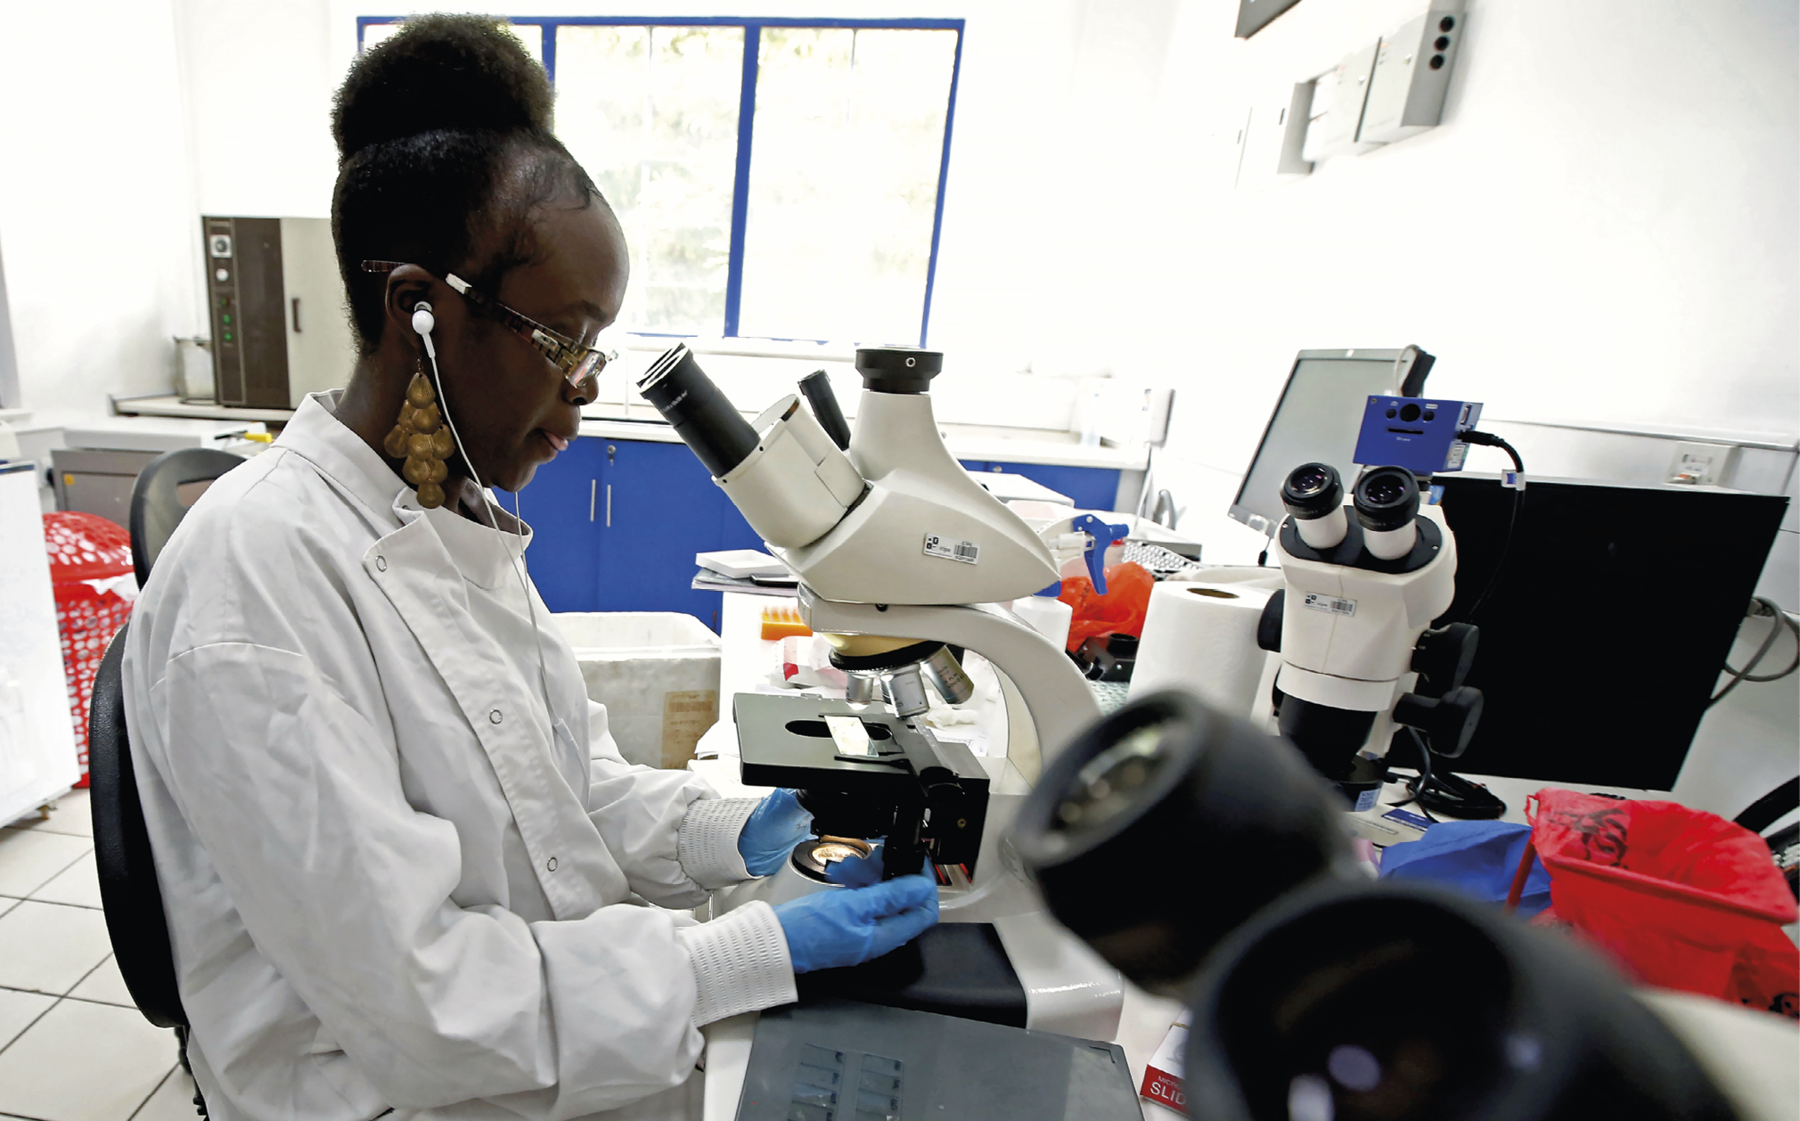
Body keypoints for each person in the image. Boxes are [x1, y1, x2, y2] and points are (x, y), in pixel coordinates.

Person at [121, 17, 937, 1120]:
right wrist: (746, 952)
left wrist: (730, 831)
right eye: (565, 339)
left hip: (536, 1017)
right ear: (420, 311)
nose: (585, 388)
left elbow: (571, 793)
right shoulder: (258, 585)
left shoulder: (452, 513)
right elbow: (427, 1007)